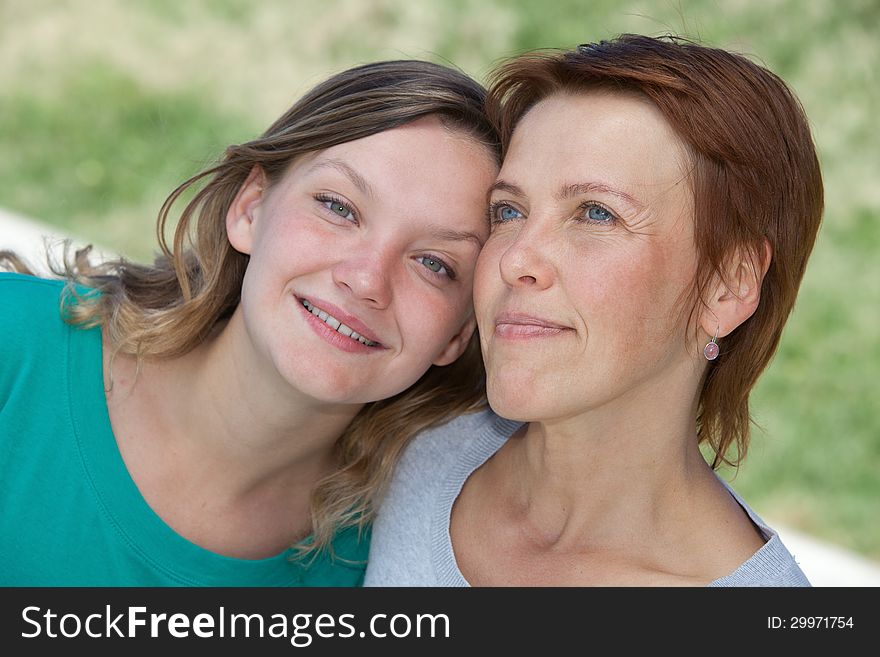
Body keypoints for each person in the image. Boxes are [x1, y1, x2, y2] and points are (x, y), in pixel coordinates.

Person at [0, 59, 500, 586]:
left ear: (458, 334)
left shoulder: (385, 563)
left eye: (434, 264)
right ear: (251, 208)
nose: (367, 280)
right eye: (338, 207)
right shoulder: (15, 353)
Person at [364, 35, 823, 586]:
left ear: (726, 285)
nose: (515, 260)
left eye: (596, 214)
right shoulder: (406, 454)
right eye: (508, 210)